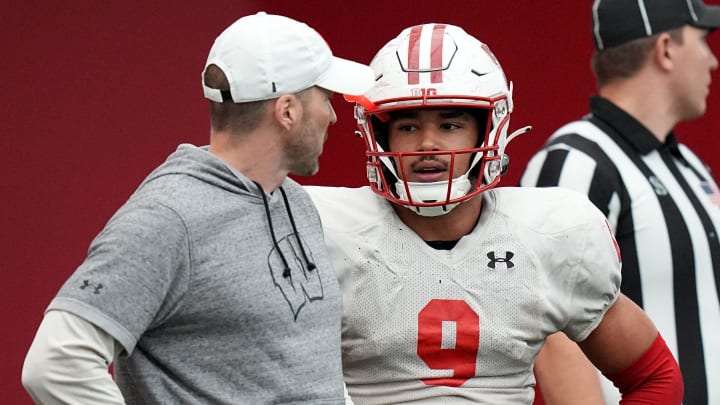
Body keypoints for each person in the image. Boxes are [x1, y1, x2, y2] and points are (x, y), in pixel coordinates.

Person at [305, 23, 683, 404]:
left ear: (488, 131)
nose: (427, 144)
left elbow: (655, 377)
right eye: (407, 125)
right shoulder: (323, 228)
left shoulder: (549, 235)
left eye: (450, 125)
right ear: (378, 135)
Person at [21, 12, 374, 404]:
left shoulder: (296, 202)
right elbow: (55, 364)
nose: (333, 115)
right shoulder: (169, 218)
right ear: (288, 111)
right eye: (324, 98)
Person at [520, 0, 720, 403]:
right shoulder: (576, 161)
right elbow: (553, 331)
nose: (712, 61)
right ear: (665, 48)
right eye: (702, 41)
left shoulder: (688, 166)